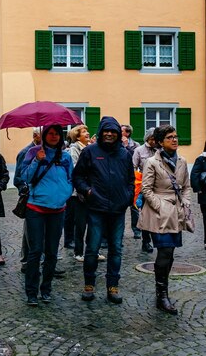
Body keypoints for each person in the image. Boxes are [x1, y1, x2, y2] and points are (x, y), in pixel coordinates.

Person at [73, 117, 135, 304]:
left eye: (113, 131)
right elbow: (78, 177)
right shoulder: (90, 152)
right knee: (92, 249)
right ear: (100, 133)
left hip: (118, 209)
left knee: (116, 249)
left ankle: (113, 287)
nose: (109, 134)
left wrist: (127, 197)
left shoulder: (124, 154)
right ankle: (89, 285)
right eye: (106, 131)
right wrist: (87, 191)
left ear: (117, 134)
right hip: (96, 208)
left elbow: (131, 180)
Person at [137, 125, 191, 315]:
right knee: (164, 251)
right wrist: (160, 206)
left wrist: (185, 202)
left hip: (176, 212)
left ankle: (162, 291)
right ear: (160, 142)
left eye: (176, 136)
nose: (175, 140)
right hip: (159, 213)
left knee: (170, 253)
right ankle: (162, 295)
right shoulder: (152, 162)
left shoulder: (182, 161)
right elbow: (146, 189)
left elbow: (186, 186)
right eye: (170, 137)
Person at [22, 125, 73, 306]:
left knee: (52, 252)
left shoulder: (66, 157)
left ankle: (46, 289)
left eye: (57, 133)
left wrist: (65, 192)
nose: (53, 136)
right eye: (50, 133)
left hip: (57, 209)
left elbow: (70, 179)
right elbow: (25, 178)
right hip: (36, 208)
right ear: (44, 135)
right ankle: (31, 292)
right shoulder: (33, 152)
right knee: (35, 251)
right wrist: (37, 160)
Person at [14, 128, 41, 272]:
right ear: (36, 136)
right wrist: (26, 190)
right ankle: (26, 261)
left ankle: (37, 260)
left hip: (43, 197)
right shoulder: (26, 152)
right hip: (31, 196)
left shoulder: (47, 151)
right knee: (29, 231)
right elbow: (18, 178)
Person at [67, 124, 91, 262]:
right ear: (77, 136)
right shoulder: (74, 149)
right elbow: (75, 169)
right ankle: (78, 251)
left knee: (92, 222)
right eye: (84, 131)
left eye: (87, 131)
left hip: (90, 190)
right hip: (78, 192)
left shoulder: (89, 148)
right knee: (80, 223)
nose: (87, 133)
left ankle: (92, 250)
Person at [132, 128, 157, 253]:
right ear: (147, 138)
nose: (154, 142)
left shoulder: (160, 150)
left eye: (156, 139)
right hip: (144, 186)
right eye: (152, 139)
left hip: (158, 186)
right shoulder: (139, 150)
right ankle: (146, 241)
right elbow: (133, 167)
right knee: (146, 214)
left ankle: (157, 238)